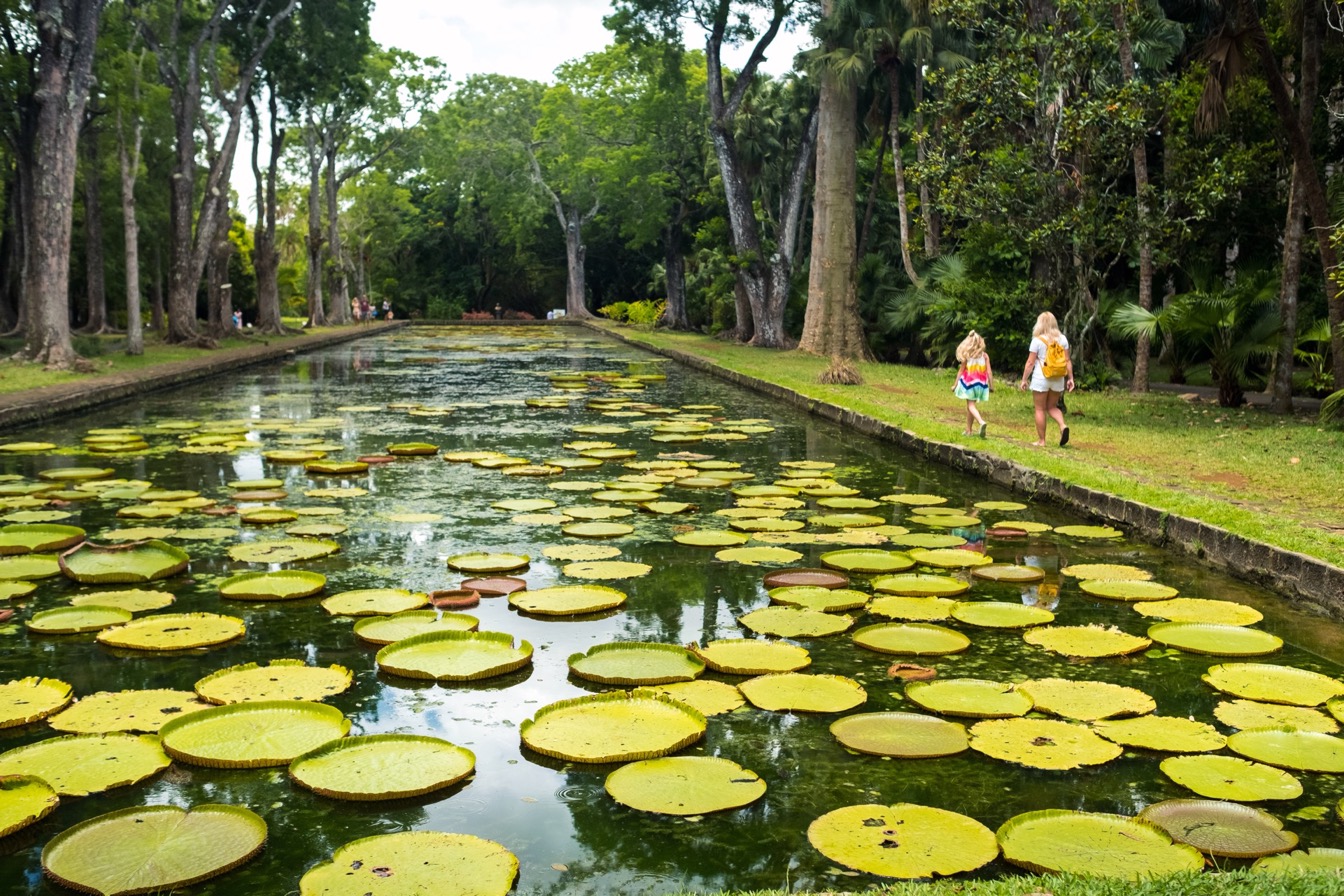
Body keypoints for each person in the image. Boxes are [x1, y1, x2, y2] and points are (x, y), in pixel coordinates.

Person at [1018, 311, 1075, 447]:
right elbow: (1067, 360)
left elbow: (1030, 363)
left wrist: (1024, 380)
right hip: (1058, 377)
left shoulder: (1037, 340)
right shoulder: (1063, 339)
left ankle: (1042, 440)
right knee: (1052, 407)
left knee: (1039, 408)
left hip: (1041, 377)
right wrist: (1070, 378)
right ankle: (1062, 425)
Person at [953, 330, 992, 438]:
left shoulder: (967, 355)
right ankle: (968, 430)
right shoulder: (985, 356)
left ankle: (981, 422)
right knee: (971, 406)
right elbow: (989, 371)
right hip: (980, 385)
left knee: (970, 405)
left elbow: (961, 371)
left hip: (969, 384)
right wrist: (991, 386)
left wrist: (955, 384)